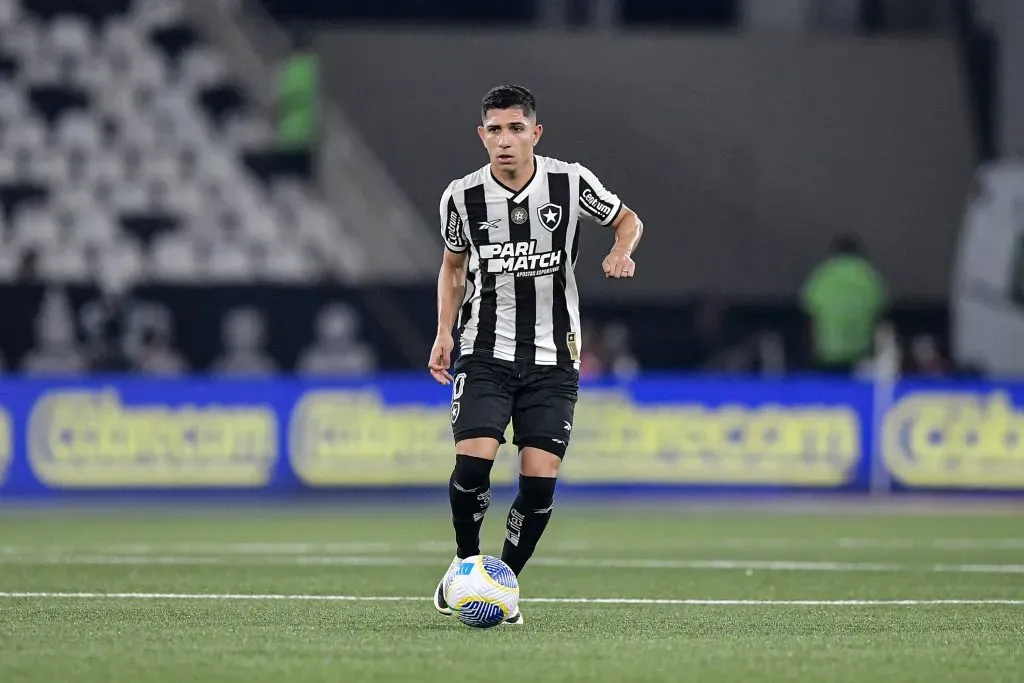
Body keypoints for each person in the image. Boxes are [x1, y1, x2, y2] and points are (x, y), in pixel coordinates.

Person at [426, 85, 644, 625]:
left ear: (535, 133)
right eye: (494, 130)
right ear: (482, 136)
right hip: (484, 349)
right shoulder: (461, 196)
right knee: (473, 462)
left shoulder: (569, 182)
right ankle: (464, 564)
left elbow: (627, 219)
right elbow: (453, 267)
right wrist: (443, 332)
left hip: (553, 357)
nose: (505, 140)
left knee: (539, 480)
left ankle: (503, 583)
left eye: (516, 128)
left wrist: (621, 251)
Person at [800, 234, 887, 374]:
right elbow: (880, 310)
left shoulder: (822, 275)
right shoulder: (869, 276)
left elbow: (807, 308)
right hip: (861, 353)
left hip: (827, 351)